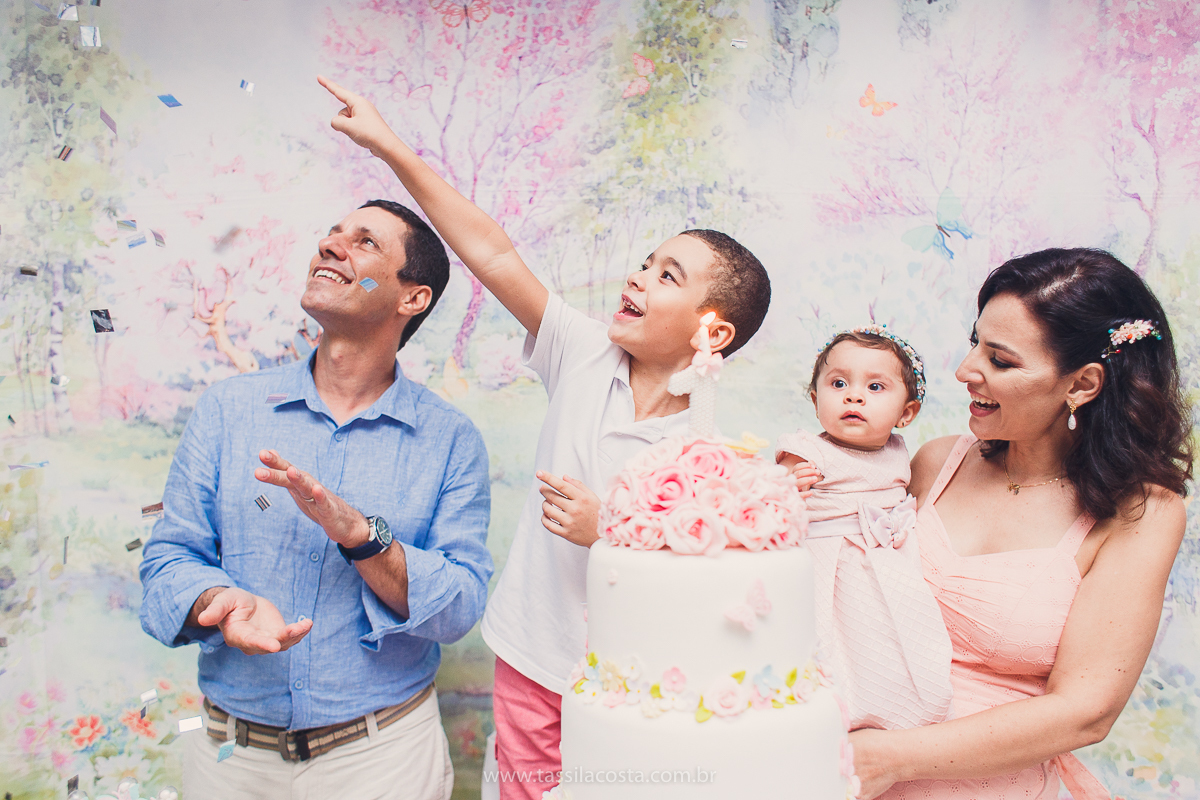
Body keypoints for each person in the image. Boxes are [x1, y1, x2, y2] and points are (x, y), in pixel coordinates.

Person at [314, 76, 773, 799]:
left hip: (638, 678)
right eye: (646, 262)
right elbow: (491, 253)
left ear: (710, 328)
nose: (639, 275)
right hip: (533, 657)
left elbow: (713, 583)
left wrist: (612, 526)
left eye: (667, 275)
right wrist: (389, 146)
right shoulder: (584, 351)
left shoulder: (716, 448)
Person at [138, 199, 493, 800]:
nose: (332, 245)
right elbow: (166, 561)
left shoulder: (451, 441)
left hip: (383, 761)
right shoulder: (227, 411)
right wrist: (219, 601)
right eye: (332, 234)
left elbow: (459, 608)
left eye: (365, 243)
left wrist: (360, 536)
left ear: (413, 298)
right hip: (231, 761)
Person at [850, 248, 1191, 799]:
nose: (966, 372)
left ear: (1082, 384)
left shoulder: (1140, 512)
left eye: (1001, 361)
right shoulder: (936, 462)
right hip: (848, 763)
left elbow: (1086, 711)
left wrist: (887, 758)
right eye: (974, 344)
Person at [775, 325, 953, 732]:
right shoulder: (808, 450)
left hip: (886, 569)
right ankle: (830, 718)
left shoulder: (896, 452)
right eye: (839, 383)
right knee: (829, 646)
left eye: (876, 387)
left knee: (890, 644)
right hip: (829, 568)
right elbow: (770, 503)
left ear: (905, 414)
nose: (854, 396)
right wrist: (784, 490)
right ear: (816, 399)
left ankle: (892, 714)